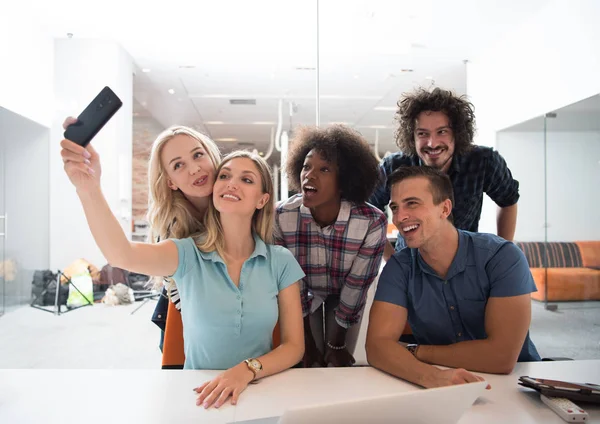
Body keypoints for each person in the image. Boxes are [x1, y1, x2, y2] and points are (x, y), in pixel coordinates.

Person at [60, 135, 305, 408]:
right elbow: (121, 254)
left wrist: (246, 370)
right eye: (224, 176)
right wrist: (88, 188)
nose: (232, 183)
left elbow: (294, 346)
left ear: (262, 200)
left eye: (246, 180)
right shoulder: (186, 253)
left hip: (261, 393)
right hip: (201, 397)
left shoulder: (280, 261)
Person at [366, 166, 541, 389]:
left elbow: (502, 357)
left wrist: (415, 351)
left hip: (519, 384)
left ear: (445, 208)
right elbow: (376, 347)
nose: (399, 217)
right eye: (394, 207)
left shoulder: (503, 257)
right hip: (443, 384)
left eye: (412, 203)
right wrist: (431, 377)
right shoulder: (400, 267)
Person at [275, 125, 387, 368]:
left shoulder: (371, 221)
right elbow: (292, 285)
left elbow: (356, 287)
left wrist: (336, 345)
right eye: (306, 166)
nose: (309, 175)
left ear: (344, 181)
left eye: (324, 169)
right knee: (307, 362)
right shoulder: (281, 216)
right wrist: (306, 343)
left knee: (338, 362)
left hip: (346, 294)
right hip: (303, 293)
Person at [369, 87, 520, 261]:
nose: (432, 143)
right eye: (423, 134)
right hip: (410, 267)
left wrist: (502, 253)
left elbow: (508, 199)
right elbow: (369, 212)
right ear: (412, 136)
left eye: (442, 132)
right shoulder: (394, 166)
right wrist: (392, 259)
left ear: (457, 133)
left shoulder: (483, 161)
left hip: (465, 265)